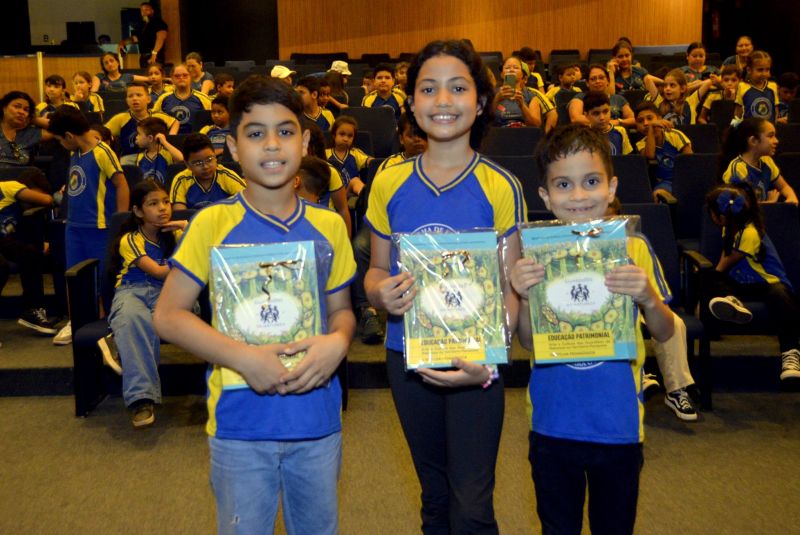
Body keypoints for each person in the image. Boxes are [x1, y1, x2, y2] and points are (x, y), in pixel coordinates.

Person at [153, 74, 356, 535]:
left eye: (285, 132)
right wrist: (244, 359)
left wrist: (339, 342)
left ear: (304, 142)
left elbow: (342, 310)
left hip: (317, 420)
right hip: (239, 426)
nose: (272, 145)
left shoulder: (329, 226)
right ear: (232, 145)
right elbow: (168, 315)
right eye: (255, 133)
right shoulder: (212, 222)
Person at [364, 39, 525, 534]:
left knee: (473, 504)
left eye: (458, 88)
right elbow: (374, 272)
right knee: (434, 498)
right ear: (411, 103)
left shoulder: (500, 185)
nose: (443, 100)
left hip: (478, 361)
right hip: (407, 355)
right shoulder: (388, 183)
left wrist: (490, 356)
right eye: (428, 89)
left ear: (479, 104)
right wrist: (379, 294)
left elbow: (509, 289)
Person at [511, 123, 674, 534]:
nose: (579, 196)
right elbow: (529, 342)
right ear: (545, 195)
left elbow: (666, 330)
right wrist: (527, 296)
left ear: (612, 186)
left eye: (591, 181)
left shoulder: (632, 248)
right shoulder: (537, 257)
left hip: (617, 425)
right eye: (563, 184)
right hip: (552, 424)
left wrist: (647, 298)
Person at [101, 179, 186, 427]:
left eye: (166, 202)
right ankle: (141, 400)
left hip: (169, 292)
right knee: (133, 319)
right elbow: (158, 271)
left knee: (162, 319)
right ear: (138, 211)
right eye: (153, 204)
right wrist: (186, 256)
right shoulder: (129, 239)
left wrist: (187, 229)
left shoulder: (177, 233)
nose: (163, 208)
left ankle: (118, 340)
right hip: (132, 290)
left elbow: (199, 262)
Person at [47, 105, 130, 346]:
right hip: (74, 226)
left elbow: (122, 185)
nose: (60, 144)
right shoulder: (76, 151)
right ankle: (76, 321)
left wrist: (120, 224)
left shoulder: (102, 152)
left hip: (100, 228)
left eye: (61, 140)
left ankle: (106, 322)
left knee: (103, 278)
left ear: (69, 136)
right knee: (74, 276)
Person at [705, 183, 800, 382]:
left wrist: (712, 280)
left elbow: (724, 264)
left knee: (780, 297)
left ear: (721, 216)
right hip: (743, 283)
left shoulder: (750, 233)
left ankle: (791, 353)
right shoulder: (730, 228)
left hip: (767, 283)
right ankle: (732, 301)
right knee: (713, 280)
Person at [353, 114, 426, 345]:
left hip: (423, 227)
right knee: (360, 246)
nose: (417, 140)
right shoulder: (389, 166)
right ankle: (368, 312)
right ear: (402, 138)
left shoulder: (439, 164)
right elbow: (377, 209)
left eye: (422, 135)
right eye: (411, 135)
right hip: (388, 226)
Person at [0, 168, 59, 335]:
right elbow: (47, 200)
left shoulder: (15, 210)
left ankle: (31, 311)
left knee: (30, 254)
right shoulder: (11, 186)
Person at [720, 117, 798, 203]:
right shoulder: (738, 169)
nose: (776, 141)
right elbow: (742, 208)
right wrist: (770, 203)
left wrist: (792, 198)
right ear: (753, 141)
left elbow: (784, 187)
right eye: (770, 136)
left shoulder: (767, 161)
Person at [169, 133, 245, 210]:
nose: (205, 166)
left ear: (215, 157)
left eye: (209, 159)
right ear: (187, 164)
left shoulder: (226, 175)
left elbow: (248, 201)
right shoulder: (181, 180)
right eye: (198, 163)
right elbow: (180, 213)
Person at [105, 82, 179, 159]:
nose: (134, 98)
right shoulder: (120, 118)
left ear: (148, 99)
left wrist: (171, 137)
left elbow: (175, 122)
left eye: (139, 95)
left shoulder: (158, 116)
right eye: (130, 96)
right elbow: (102, 133)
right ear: (126, 101)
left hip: (156, 158)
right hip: (130, 159)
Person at [302, 120, 351, 236]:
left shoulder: (330, 171)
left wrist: (346, 245)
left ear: (313, 147)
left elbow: (343, 210)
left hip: (325, 229)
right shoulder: (285, 172)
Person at [635, 102, 693, 196]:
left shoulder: (675, 134)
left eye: (650, 119)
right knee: (657, 195)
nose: (645, 123)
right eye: (640, 121)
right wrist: (651, 128)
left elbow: (690, 160)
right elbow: (650, 155)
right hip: (665, 183)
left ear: (659, 119)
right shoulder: (641, 144)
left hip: (684, 178)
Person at [493, 55, 556, 130]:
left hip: (524, 135)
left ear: (522, 75)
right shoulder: (493, 93)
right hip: (499, 134)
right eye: (507, 68)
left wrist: (522, 106)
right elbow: (484, 120)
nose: (511, 70)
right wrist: (497, 99)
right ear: (502, 74)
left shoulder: (531, 96)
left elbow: (536, 125)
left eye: (516, 68)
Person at [568, 64, 636, 128]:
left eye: (601, 78)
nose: (597, 81)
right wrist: (606, 123)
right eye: (593, 79)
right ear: (587, 83)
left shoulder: (618, 99)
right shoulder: (580, 97)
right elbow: (575, 118)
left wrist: (618, 122)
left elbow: (634, 119)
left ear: (608, 81)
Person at [152, 64, 213, 134]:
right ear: (172, 78)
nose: (181, 78)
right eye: (177, 76)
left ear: (191, 77)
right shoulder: (163, 98)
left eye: (185, 75)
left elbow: (211, 122)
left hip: (195, 141)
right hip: (169, 139)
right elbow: (154, 121)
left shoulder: (203, 98)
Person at [0, 91, 53, 167]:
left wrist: (35, 120)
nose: (22, 112)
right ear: (4, 108)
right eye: (17, 106)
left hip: (20, 177)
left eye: (26, 110)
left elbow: (63, 129)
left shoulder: (30, 133)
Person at [648, 68, 713, 126]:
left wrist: (687, 88)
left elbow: (708, 82)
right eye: (665, 86)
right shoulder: (659, 101)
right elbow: (647, 79)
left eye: (672, 85)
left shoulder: (691, 101)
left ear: (682, 88)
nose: (667, 88)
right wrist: (665, 82)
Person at [325, 116, 371, 197]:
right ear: (333, 135)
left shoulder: (355, 153)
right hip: (332, 195)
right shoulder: (325, 154)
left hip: (350, 194)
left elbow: (370, 161)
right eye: (342, 134)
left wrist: (372, 161)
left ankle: (365, 198)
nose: (346, 139)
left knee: (355, 181)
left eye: (350, 136)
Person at [117, 2, 168, 68]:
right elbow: (135, 38)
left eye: (146, 10)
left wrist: (154, 53)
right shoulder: (142, 25)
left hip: (155, 56)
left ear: (152, 11)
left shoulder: (158, 22)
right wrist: (123, 43)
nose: (144, 12)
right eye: (142, 10)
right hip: (143, 56)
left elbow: (161, 37)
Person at [134, 117, 184, 184]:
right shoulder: (140, 157)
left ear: (150, 138)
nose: (136, 137)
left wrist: (164, 142)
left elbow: (181, 158)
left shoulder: (166, 153)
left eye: (139, 134)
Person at [582, 91, 632, 155]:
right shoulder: (583, 135)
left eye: (605, 112)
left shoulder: (620, 131)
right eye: (596, 113)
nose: (602, 118)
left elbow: (627, 159)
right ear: (586, 115)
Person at [737, 51, 780, 123]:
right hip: (749, 131)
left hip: (767, 131)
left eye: (767, 69)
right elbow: (738, 113)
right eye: (760, 70)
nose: (764, 73)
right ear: (749, 70)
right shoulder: (742, 86)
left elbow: (775, 111)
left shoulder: (773, 86)